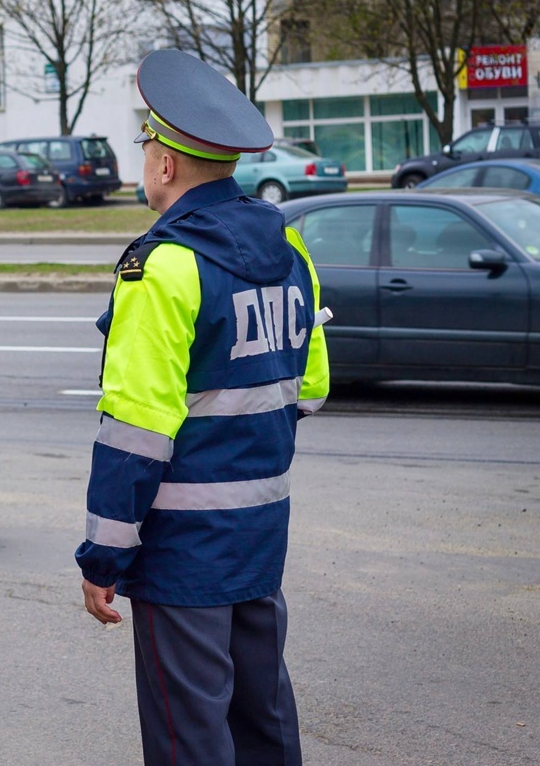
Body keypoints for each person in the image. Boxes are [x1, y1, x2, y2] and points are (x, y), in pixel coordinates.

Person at [75, 49, 330, 766]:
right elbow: (309, 388)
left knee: (189, 738)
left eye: (146, 148)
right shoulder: (288, 246)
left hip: (183, 554)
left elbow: (135, 434)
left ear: (164, 165)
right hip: (260, 536)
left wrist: (102, 558)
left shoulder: (162, 266)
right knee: (263, 721)